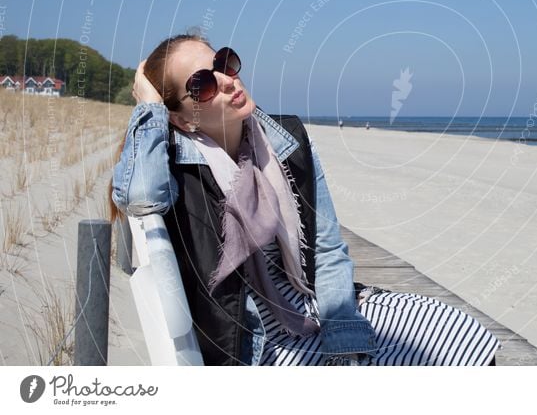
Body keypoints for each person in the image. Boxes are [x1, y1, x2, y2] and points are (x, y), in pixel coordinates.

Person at [109, 33, 500, 366]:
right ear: (179, 118)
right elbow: (139, 196)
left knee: (460, 331)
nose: (227, 81)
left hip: (315, 307)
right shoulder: (175, 166)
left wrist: (344, 334)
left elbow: (327, 248)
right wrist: (147, 106)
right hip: (257, 340)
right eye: (201, 85)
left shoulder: (284, 139)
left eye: (224, 64)